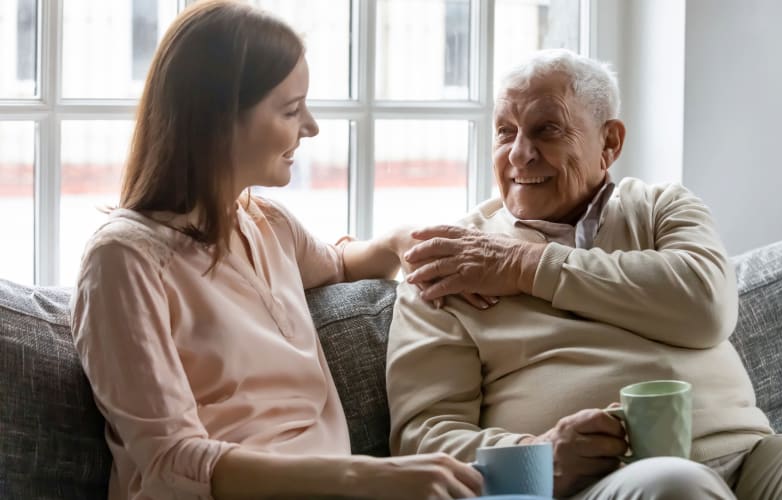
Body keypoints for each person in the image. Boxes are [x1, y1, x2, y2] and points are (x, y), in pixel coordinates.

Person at [70, 1, 483, 498]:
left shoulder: (268, 225)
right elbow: (170, 459)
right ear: (219, 119)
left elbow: (339, 263)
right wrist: (366, 475)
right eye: (291, 110)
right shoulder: (123, 260)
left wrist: (400, 241)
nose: (310, 127)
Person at [386, 49, 782, 499]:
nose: (519, 154)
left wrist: (524, 266)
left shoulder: (663, 208)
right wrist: (537, 458)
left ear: (609, 143)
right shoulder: (453, 261)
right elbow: (424, 440)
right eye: (505, 132)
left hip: (753, 456)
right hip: (605, 484)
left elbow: (707, 307)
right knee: (675, 483)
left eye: (546, 130)